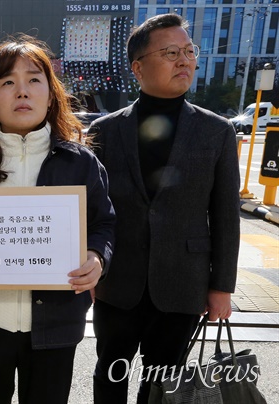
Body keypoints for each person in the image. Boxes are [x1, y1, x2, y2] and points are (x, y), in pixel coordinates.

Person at [0, 36, 115, 404]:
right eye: (7, 83)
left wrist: (97, 257)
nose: (22, 92)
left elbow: (103, 223)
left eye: (34, 80)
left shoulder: (79, 163)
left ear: (51, 95)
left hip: (56, 324)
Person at [89, 14, 240, 404]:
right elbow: (89, 208)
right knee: (110, 373)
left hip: (183, 283)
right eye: (171, 52)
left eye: (189, 51)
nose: (185, 61)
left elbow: (225, 215)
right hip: (116, 282)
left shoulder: (217, 131)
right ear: (138, 67)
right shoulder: (103, 131)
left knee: (163, 384)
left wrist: (221, 287)